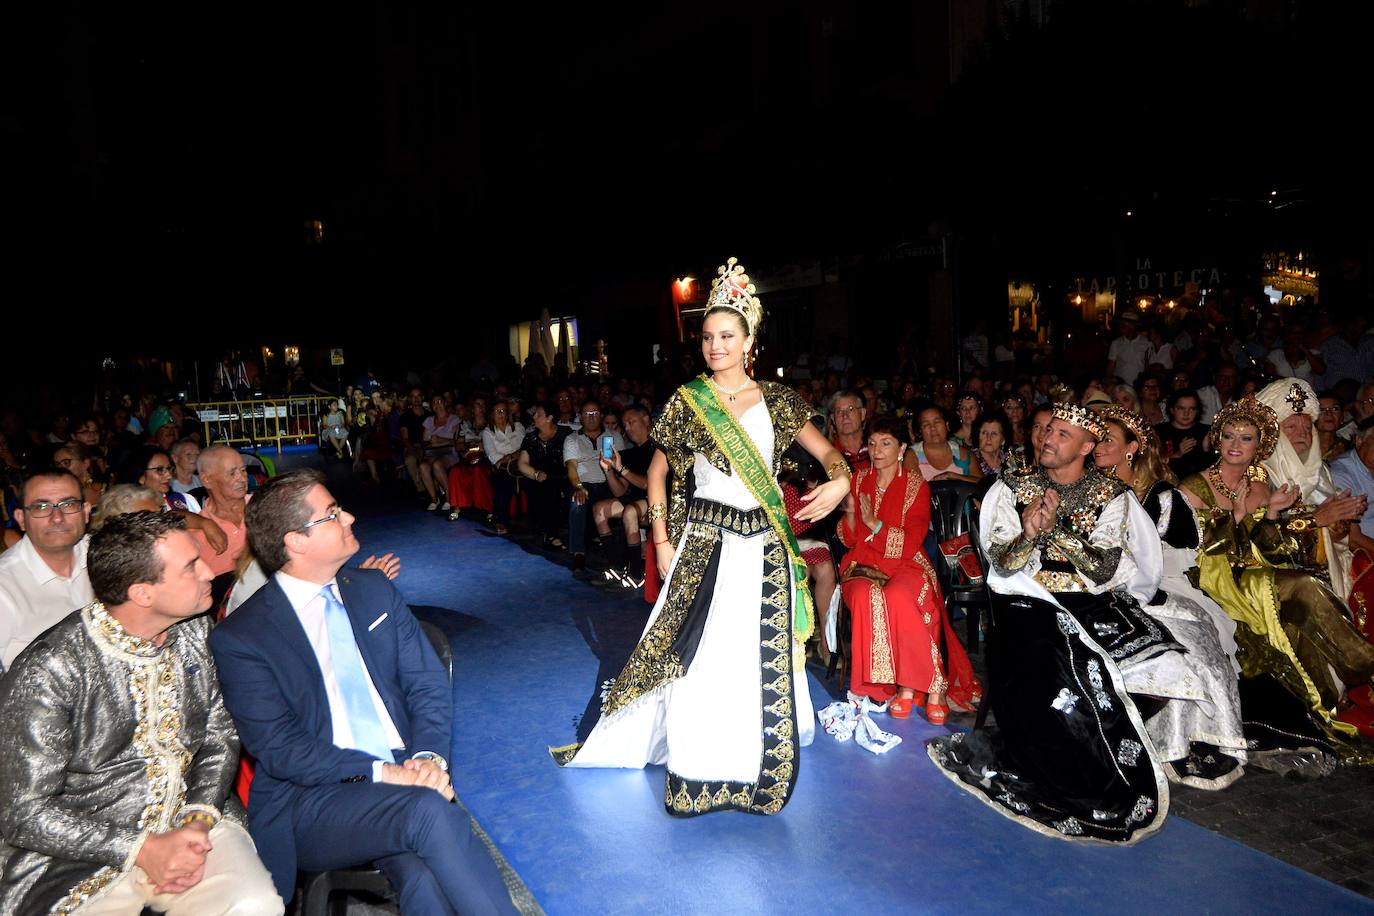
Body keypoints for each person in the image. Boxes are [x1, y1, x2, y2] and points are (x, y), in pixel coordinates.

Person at [554, 256, 850, 817]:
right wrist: (662, 540)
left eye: (726, 336)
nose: (714, 346)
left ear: (748, 340)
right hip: (705, 542)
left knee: (751, 656)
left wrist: (840, 481)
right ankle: (697, 765)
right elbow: (661, 474)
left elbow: (832, 454)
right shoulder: (690, 400)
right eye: (708, 336)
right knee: (693, 653)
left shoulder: (781, 403)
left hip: (762, 547)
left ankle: (753, 759)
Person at [209, 470, 516, 914]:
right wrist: (387, 773)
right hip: (313, 799)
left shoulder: (374, 591)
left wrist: (428, 758)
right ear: (296, 541)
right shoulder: (243, 637)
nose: (349, 516)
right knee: (428, 811)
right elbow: (280, 749)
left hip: (406, 770)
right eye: (332, 514)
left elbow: (426, 684)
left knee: (424, 876)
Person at [0, 511, 283, 915]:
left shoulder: (195, 629)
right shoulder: (51, 669)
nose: (209, 572)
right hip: (77, 855)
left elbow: (220, 735)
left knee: (253, 904)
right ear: (142, 593)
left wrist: (197, 823)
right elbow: (24, 814)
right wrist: (143, 849)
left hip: (193, 818)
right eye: (191, 566)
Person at [929, 403, 1175, 843]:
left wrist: (1055, 529)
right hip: (1025, 596)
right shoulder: (1013, 486)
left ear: (1087, 446)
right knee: (1047, 658)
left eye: (1062, 435)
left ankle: (1122, 745)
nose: (1048, 440)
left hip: (1089, 600)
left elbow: (1102, 569)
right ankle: (1068, 766)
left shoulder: (1111, 494)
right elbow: (1000, 563)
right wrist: (1027, 533)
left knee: (1164, 654)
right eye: (1048, 432)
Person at [1179, 400, 1374, 751]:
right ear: (1218, 440)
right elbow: (1196, 548)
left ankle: (1334, 691)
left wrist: (1270, 515)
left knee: (1308, 589)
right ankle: (1362, 662)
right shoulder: (1195, 485)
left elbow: (1271, 548)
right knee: (1301, 586)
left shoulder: (1261, 483)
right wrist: (1237, 516)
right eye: (1229, 436)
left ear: (1260, 446)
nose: (1236, 445)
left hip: (1260, 569)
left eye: (1247, 438)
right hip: (1216, 575)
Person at [1094, 408, 1248, 788]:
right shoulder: (1088, 487)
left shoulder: (1161, 496)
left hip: (1163, 584)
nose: (1098, 447)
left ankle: (1188, 742)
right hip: (1104, 589)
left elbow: (1189, 553)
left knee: (1188, 647)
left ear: (1132, 448)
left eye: (1108, 440)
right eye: (1095, 439)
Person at [837, 417, 981, 723]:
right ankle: (878, 686)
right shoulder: (859, 479)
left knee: (901, 596)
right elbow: (850, 538)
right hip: (863, 561)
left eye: (886, 443)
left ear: (902, 448)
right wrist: (851, 515)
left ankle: (923, 686)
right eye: (873, 443)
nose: (877, 450)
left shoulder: (917, 487)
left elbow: (909, 543)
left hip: (906, 561)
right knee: (864, 595)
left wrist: (873, 523)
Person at [1256, 378, 1367, 599]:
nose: (1303, 434)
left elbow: (1336, 537)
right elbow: (1264, 545)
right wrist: (1316, 519)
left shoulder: (1321, 471)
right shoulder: (1259, 474)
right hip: (1287, 575)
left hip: (1331, 567)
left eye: (1308, 428)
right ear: (1273, 432)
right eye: (1291, 427)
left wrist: (1341, 519)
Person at [0, 469, 95, 672]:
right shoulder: (5, 586)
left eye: (68, 504)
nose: (57, 517)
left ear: (86, 512)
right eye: (41, 507)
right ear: (21, 519)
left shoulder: (104, 557)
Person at [591, 405, 657, 585]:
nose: (627, 428)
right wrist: (609, 471)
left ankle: (636, 575)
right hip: (636, 500)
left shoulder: (659, 448)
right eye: (625, 424)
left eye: (631, 422)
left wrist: (621, 468)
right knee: (599, 510)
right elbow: (620, 491)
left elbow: (648, 483)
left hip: (658, 500)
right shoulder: (630, 454)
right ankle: (617, 567)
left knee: (629, 512)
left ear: (645, 420)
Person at [188, 445, 251, 611]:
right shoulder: (197, 532)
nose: (242, 479)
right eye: (232, 473)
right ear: (207, 480)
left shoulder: (263, 507)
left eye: (243, 471)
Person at [563, 400, 613, 572]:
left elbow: (614, 465)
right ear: (580, 417)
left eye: (595, 414)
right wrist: (578, 486)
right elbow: (571, 467)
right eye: (586, 414)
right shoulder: (572, 439)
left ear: (601, 416)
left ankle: (615, 556)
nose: (591, 418)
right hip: (583, 483)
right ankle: (578, 552)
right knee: (577, 503)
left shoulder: (611, 437)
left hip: (608, 482)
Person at [514, 401, 570, 550]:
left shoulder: (566, 434)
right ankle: (551, 534)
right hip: (538, 477)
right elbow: (522, 463)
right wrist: (536, 473)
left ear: (549, 417)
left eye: (538, 414)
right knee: (546, 489)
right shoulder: (530, 437)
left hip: (563, 476)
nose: (534, 416)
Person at [479, 400, 525, 534]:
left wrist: (510, 456)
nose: (500, 414)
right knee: (503, 485)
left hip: (523, 464)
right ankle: (502, 520)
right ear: (492, 414)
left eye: (503, 411)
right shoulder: (488, 432)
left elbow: (525, 448)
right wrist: (512, 456)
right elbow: (494, 458)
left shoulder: (518, 426)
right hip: (503, 468)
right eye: (497, 411)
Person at [910, 406, 981, 483]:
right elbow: (913, 491)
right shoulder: (912, 456)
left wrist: (953, 476)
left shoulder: (963, 454)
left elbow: (983, 484)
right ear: (920, 431)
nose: (933, 428)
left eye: (937, 422)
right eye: (926, 424)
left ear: (947, 425)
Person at [1155, 389, 1211, 479]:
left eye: (1192, 409)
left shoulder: (1207, 431)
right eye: (1181, 408)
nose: (1186, 413)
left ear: (1197, 411)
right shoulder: (1159, 431)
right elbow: (1151, 463)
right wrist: (1177, 454)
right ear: (1172, 409)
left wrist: (1207, 449)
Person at [1106, 311, 1151, 386]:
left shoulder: (1146, 342)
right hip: (1120, 385)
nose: (1121, 327)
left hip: (1138, 385)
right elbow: (1111, 365)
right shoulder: (1116, 343)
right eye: (1121, 324)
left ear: (1133, 326)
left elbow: (1147, 366)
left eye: (1124, 324)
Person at [830, 390, 871, 472]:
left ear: (862, 414)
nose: (845, 416)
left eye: (851, 409)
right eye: (839, 411)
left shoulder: (876, 447)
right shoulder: (828, 452)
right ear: (833, 419)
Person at [971, 412, 1011, 478]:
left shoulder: (1010, 459)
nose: (988, 438)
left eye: (994, 434)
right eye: (984, 433)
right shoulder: (970, 459)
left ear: (1003, 439)